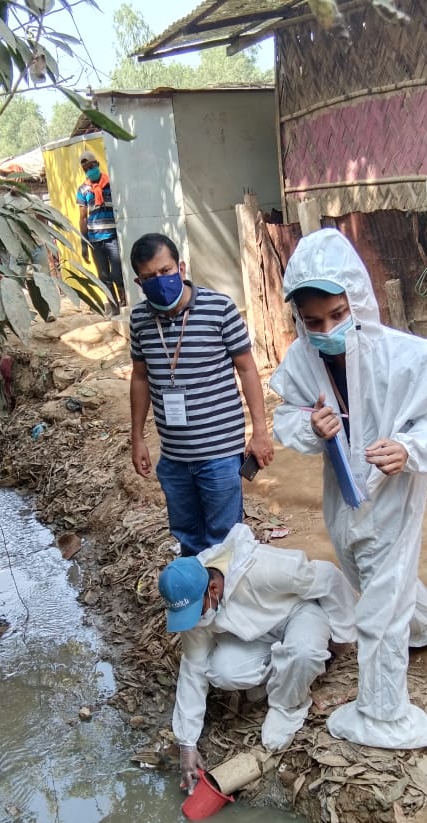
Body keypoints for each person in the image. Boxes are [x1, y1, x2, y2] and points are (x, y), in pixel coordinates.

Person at [270, 228, 427, 751]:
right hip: (343, 492)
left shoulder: (409, 358)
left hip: (394, 488)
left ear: (355, 300)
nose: (328, 329)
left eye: (337, 315)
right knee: (368, 569)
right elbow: (284, 416)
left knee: (379, 601)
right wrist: (311, 428)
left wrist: (409, 447)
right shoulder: (301, 358)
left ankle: (384, 714)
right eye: (313, 322)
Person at [158, 522, 357, 793]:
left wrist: (343, 634)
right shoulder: (196, 604)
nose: (194, 620)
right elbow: (193, 668)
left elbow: (328, 577)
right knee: (222, 672)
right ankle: (283, 672)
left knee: (303, 653)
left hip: (298, 614)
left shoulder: (262, 569)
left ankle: (287, 706)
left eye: (197, 610)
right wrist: (187, 744)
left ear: (213, 589)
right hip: (258, 637)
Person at [130, 232, 273, 556]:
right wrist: (137, 436)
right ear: (140, 282)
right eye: (150, 276)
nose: (160, 280)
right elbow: (140, 377)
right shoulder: (139, 319)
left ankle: (227, 603)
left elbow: (248, 369)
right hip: (175, 458)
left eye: (165, 271)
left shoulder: (219, 309)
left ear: (181, 268)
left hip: (220, 454)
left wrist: (260, 432)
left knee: (224, 540)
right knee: (188, 538)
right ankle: (202, 601)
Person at [76, 149, 126, 317]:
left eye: (91, 166)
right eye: (86, 169)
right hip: (95, 239)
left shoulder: (111, 183)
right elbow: (83, 218)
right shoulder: (83, 190)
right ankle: (114, 308)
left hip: (112, 237)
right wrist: (84, 243)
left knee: (117, 274)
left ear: (97, 164)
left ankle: (124, 303)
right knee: (104, 277)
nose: (90, 170)